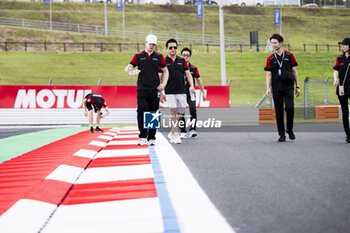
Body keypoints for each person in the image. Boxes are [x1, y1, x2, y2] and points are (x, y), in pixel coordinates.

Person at [125, 35, 169, 146]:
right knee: (141, 111)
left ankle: (152, 137)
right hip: (142, 88)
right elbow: (130, 66)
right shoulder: (138, 56)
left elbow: (166, 71)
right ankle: (142, 136)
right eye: (150, 44)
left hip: (155, 89)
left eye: (154, 44)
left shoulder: (159, 56)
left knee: (153, 112)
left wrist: (164, 83)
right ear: (145, 43)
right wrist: (128, 68)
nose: (151, 46)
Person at [264, 34, 300, 142]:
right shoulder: (270, 58)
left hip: (288, 86)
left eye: (275, 43)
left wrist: (297, 85)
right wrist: (268, 88)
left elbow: (294, 71)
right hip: (277, 88)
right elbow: (268, 74)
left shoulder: (289, 56)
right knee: (279, 112)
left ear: (280, 43)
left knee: (289, 108)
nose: (273, 45)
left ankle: (289, 129)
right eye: (272, 43)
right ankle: (281, 134)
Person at [163, 39, 195, 144]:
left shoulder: (182, 60)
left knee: (180, 113)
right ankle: (176, 135)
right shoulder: (163, 61)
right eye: (171, 47)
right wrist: (160, 89)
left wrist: (191, 85)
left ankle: (172, 131)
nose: (173, 49)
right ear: (167, 49)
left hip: (181, 91)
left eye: (175, 47)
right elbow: (159, 76)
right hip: (169, 91)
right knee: (173, 112)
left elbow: (188, 74)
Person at [178, 47, 206, 138]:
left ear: (190, 57)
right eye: (184, 55)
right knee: (181, 112)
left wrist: (203, 92)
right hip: (180, 92)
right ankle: (182, 131)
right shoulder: (177, 67)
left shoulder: (193, 68)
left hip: (191, 92)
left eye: (187, 55)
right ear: (181, 56)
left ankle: (192, 129)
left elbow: (199, 80)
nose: (185, 57)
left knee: (193, 110)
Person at [333, 37, 350, 143]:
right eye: (342, 45)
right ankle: (348, 134)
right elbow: (336, 71)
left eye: (345, 45)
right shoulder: (339, 58)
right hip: (342, 88)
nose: (343, 46)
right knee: (345, 112)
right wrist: (335, 79)